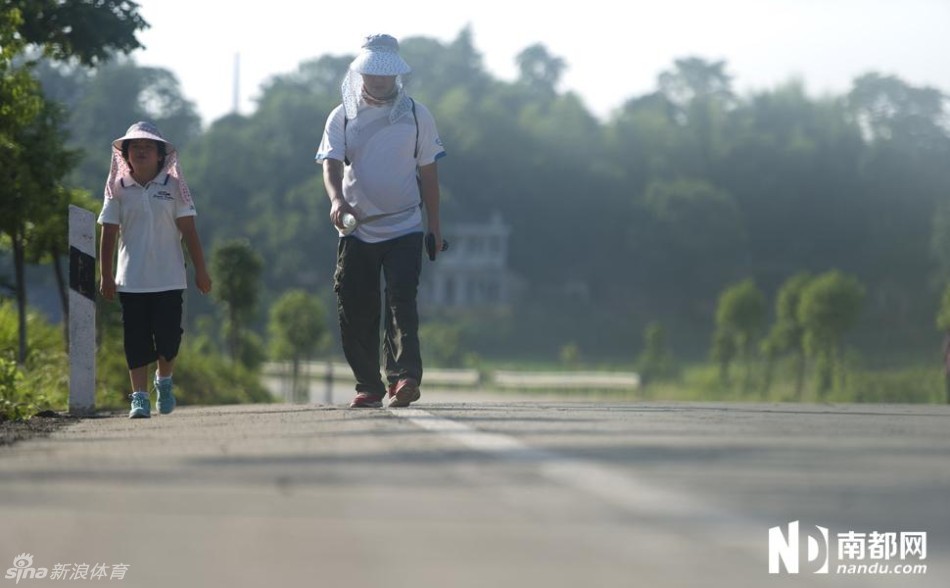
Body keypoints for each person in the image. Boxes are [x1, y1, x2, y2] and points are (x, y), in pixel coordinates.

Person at [316, 34, 446, 408]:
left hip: (405, 224)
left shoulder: (418, 116)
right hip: (357, 227)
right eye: (372, 71)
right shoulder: (342, 116)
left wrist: (434, 226)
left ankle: (405, 377)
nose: (379, 79)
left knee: (402, 302)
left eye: (386, 73)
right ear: (360, 73)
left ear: (397, 75)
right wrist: (337, 200)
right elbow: (331, 164)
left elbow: (430, 174)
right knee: (356, 305)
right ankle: (369, 385)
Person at [98, 121, 212, 419]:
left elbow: (189, 231)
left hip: (170, 277)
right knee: (135, 338)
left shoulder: (173, 187)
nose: (142, 151)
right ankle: (138, 397)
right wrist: (106, 274)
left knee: (168, 337)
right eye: (136, 147)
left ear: (161, 155)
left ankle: (163, 382)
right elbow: (108, 232)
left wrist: (201, 270)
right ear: (126, 154)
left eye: (149, 147)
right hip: (131, 279)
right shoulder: (117, 189)